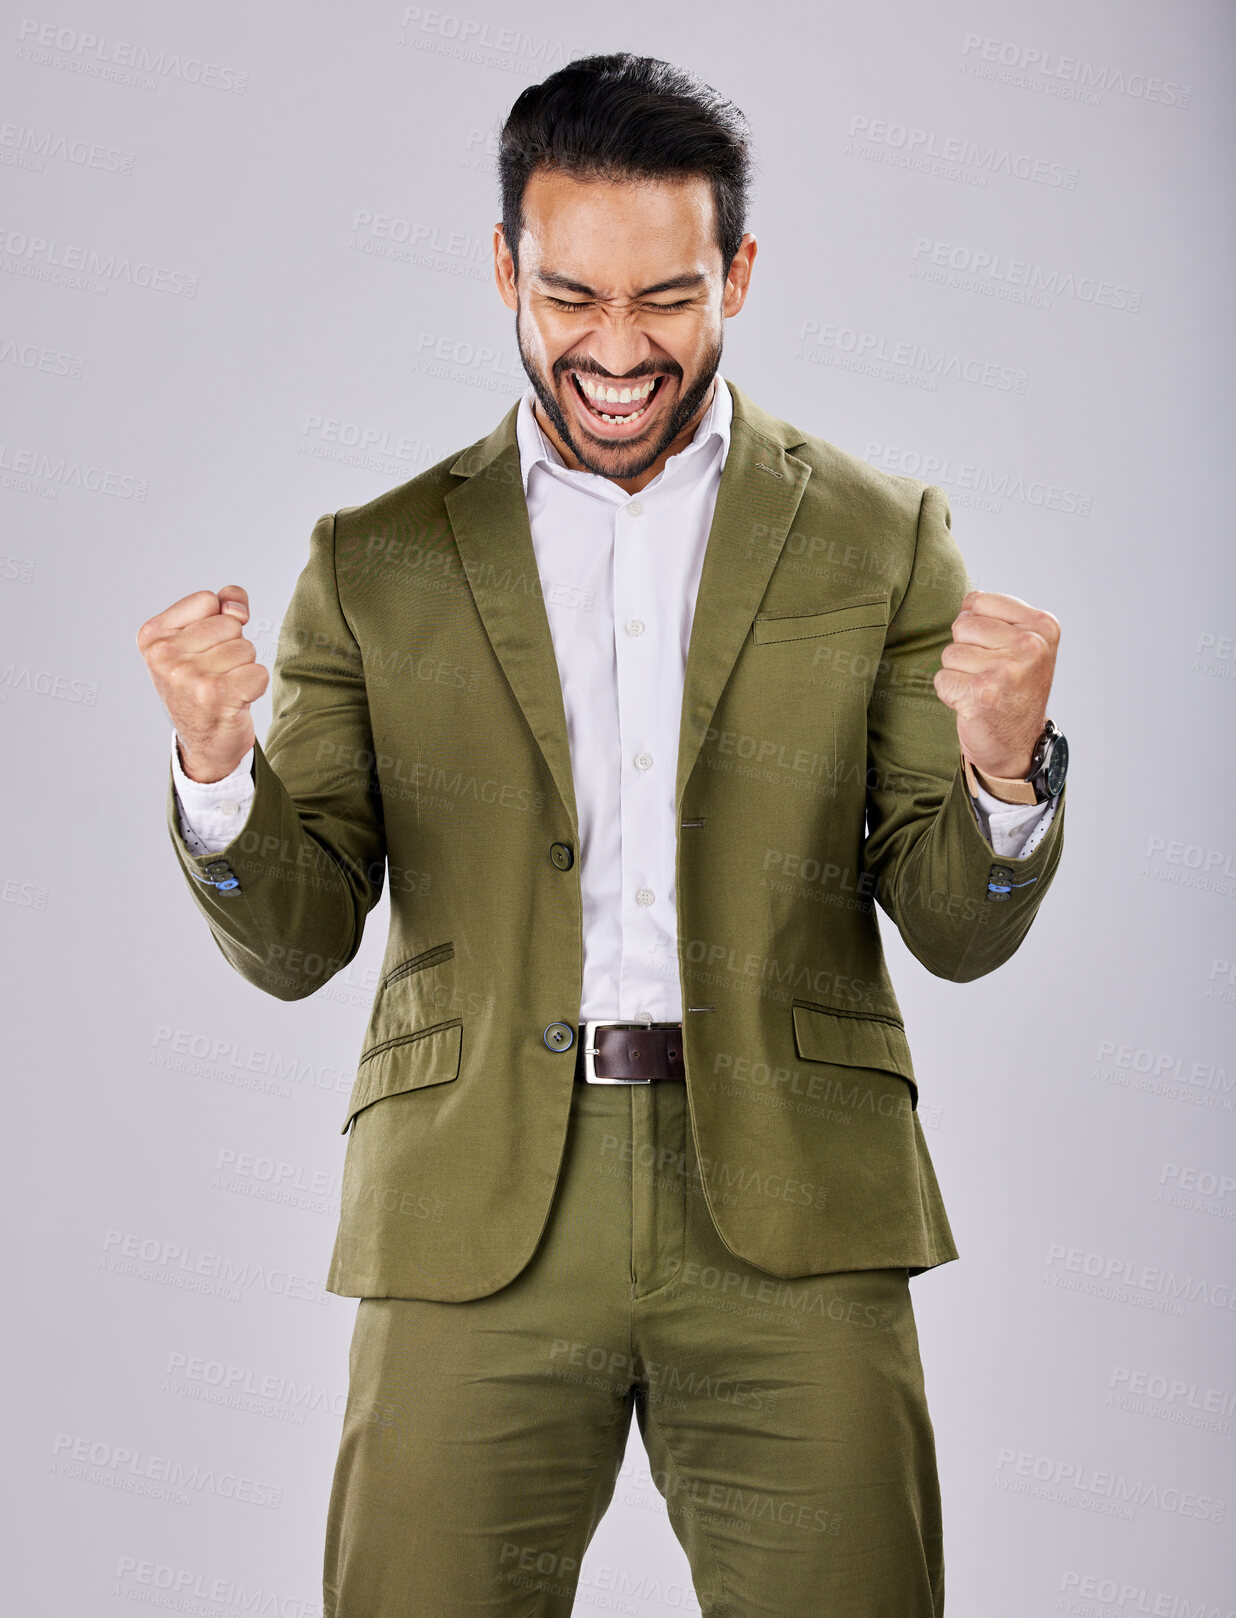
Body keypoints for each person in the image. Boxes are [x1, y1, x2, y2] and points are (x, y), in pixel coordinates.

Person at [137, 52, 1067, 1618]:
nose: (619, 349)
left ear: (740, 275)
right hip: (473, 1207)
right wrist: (216, 763)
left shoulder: (878, 534)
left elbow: (957, 926)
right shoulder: (376, 561)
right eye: (571, 298)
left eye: (669, 299)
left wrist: (1000, 769)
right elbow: (297, 938)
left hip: (797, 1204)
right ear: (505, 266)